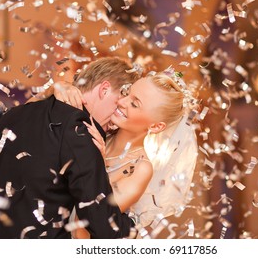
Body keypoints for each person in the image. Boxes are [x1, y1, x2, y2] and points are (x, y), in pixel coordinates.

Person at [0, 57, 140, 239]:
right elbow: (104, 227)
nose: (116, 123)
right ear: (104, 89)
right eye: (119, 105)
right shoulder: (80, 130)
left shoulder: (13, 114)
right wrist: (135, 226)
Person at [53, 70, 199, 238]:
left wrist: (95, 163)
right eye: (127, 93)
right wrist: (61, 87)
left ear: (156, 127)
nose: (121, 101)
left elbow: (84, 226)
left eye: (135, 104)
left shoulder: (140, 169)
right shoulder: (102, 127)